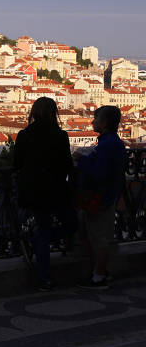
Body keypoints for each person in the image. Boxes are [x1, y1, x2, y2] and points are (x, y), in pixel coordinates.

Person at [13, 97, 76, 291]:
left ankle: (44, 276)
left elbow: (16, 164)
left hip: (32, 190)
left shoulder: (24, 135)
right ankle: (43, 268)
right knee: (71, 225)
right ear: (53, 113)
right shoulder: (61, 136)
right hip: (55, 190)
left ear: (34, 112)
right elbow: (67, 165)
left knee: (43, 230)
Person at [74, 105, 126, 290]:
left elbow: (100, 173)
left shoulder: (107, 145)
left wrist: (81, 159)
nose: (92, 121)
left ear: (103, 123)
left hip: (100, 198)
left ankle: (99, 277)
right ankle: (101, 271)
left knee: (99, 239)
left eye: (95, 119)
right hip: (106, 196)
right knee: (96, 236)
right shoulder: (112, 142)